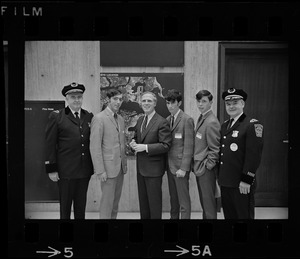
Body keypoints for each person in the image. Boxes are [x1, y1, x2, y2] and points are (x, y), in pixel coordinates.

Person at [45, 82, 94, 219]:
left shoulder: (88, 116)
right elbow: (50, 144)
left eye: (79, 97)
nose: (77, 100)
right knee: (65, 209)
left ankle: (79, 236)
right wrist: (51, 169)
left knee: (81, 208)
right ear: (67, 99)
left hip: (84, 171)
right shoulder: (57, 116)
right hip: (65, 171)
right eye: (73, 97)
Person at [218, 88, 264, 219]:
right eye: (228, 104)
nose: (231, 106)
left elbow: (254, 155)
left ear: (242, 104)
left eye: (235, 103)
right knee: (229, 216)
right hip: (226, 181)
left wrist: (246, 180)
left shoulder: (251, 125)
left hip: (241, 183)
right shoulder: (225, 125)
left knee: (243, 216)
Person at [130, 91, 172, 219]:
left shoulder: (162, 122)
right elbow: (137, 138)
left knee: (154, 206)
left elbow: (166, 145)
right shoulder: (141, 119)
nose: (146, 103)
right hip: (141, 169)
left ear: (155, 103)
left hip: (154, 171)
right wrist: (133, 143)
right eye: (144, 101)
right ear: (140, 103)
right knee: (144, 206)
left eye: (149, 101)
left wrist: (146, 147)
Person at [90, 89, 127, 219]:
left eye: (120, 99)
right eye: (115, 99)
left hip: (120, 169)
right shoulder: (99, 118)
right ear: (108, 100)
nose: (118, 102)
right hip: (107, 170)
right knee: (107, 204)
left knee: (115, 204)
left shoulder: (121, 119)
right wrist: (100, 170)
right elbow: (95, 147)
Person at [165, 89, 194, 219]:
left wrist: (183, 168)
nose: (170, 106)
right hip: (170, 166)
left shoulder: (187, 120)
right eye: (168, 103)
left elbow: (189, 146)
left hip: (180, 167)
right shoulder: (167, 119)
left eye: (173, 103)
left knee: (183, 201)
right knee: (173, 200)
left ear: (179, 103)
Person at [193, 90, 221, 219]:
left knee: (209, 204)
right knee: (204, 202)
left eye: (204, 101)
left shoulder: (211, 122)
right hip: (200, 167)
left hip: (206, 169)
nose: (200, 104)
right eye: (198, 101)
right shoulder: (202, 117)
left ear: (211, 102)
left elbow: (215, 149)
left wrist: (208, 166)